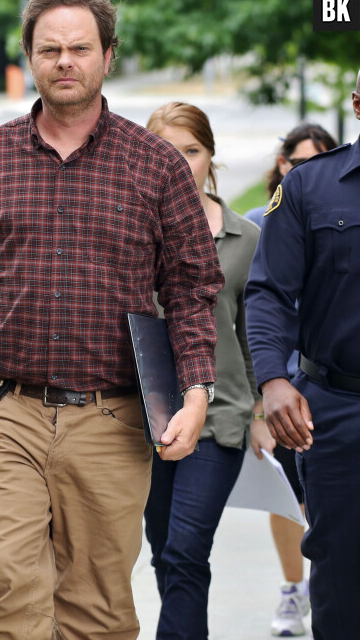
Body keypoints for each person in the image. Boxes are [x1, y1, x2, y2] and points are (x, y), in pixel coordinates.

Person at [0, 0, 224, 640]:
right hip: (6, 411)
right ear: (30, 59)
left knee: (96, 612)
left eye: (79, 48)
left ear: (109, 55)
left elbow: (190, 287)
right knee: (3, 601)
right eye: (50, 50)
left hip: (112, 418)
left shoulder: (155, 164)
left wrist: (195, 390)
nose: (64, 61)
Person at [144, 102, 269, 639]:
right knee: (164, 554)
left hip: (219, 418)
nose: (180, 162)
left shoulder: (246, 239)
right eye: (167, 151)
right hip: (146, 418)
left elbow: (250, 331)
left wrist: (259, 409)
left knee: (186, 550)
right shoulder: (133, 231)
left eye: (191, 151)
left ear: (210, 155)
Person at [244, 70, 360, 640]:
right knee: (341, 578)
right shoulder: (310, 188)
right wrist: (272, 380)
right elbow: (269, 292)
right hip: (338, 411)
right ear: (359, 104)